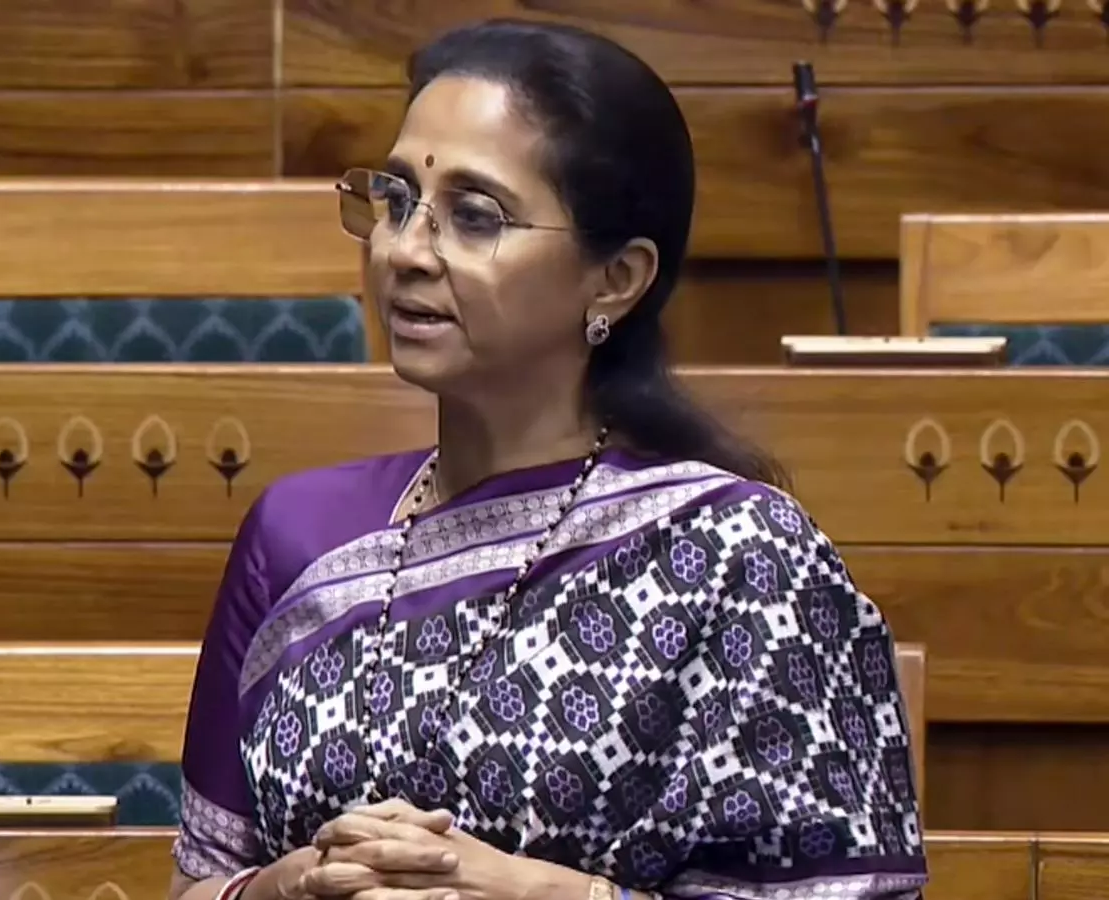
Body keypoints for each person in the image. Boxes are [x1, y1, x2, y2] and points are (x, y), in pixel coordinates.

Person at [170, 17, 926, 900]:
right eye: (398, 201)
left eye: (474, 216)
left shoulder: (741, 558)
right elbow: (198, 885)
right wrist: (294, 885)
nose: (406, 251)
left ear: (617, 279)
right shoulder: (296, 535)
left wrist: (534, 892)